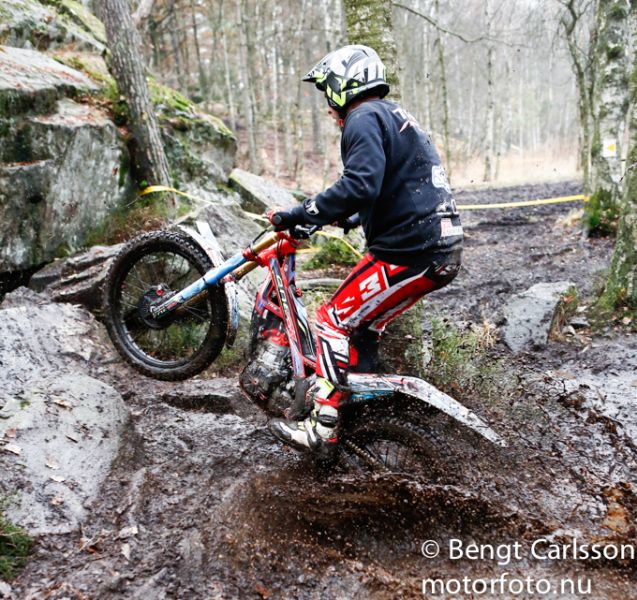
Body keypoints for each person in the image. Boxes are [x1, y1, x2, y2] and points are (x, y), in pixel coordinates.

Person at [267, 45, 463, 456]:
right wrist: (351, 216)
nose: (328, 106)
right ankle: (364, 415)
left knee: (331, 321)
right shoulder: (392, 115)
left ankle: (323, 426)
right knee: (362, 329)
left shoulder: (362, 118)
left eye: (327, 91)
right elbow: (396, 182)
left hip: (409, 252)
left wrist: (300, 212)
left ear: (345, 85)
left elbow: (360, 184)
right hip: (437, 250)